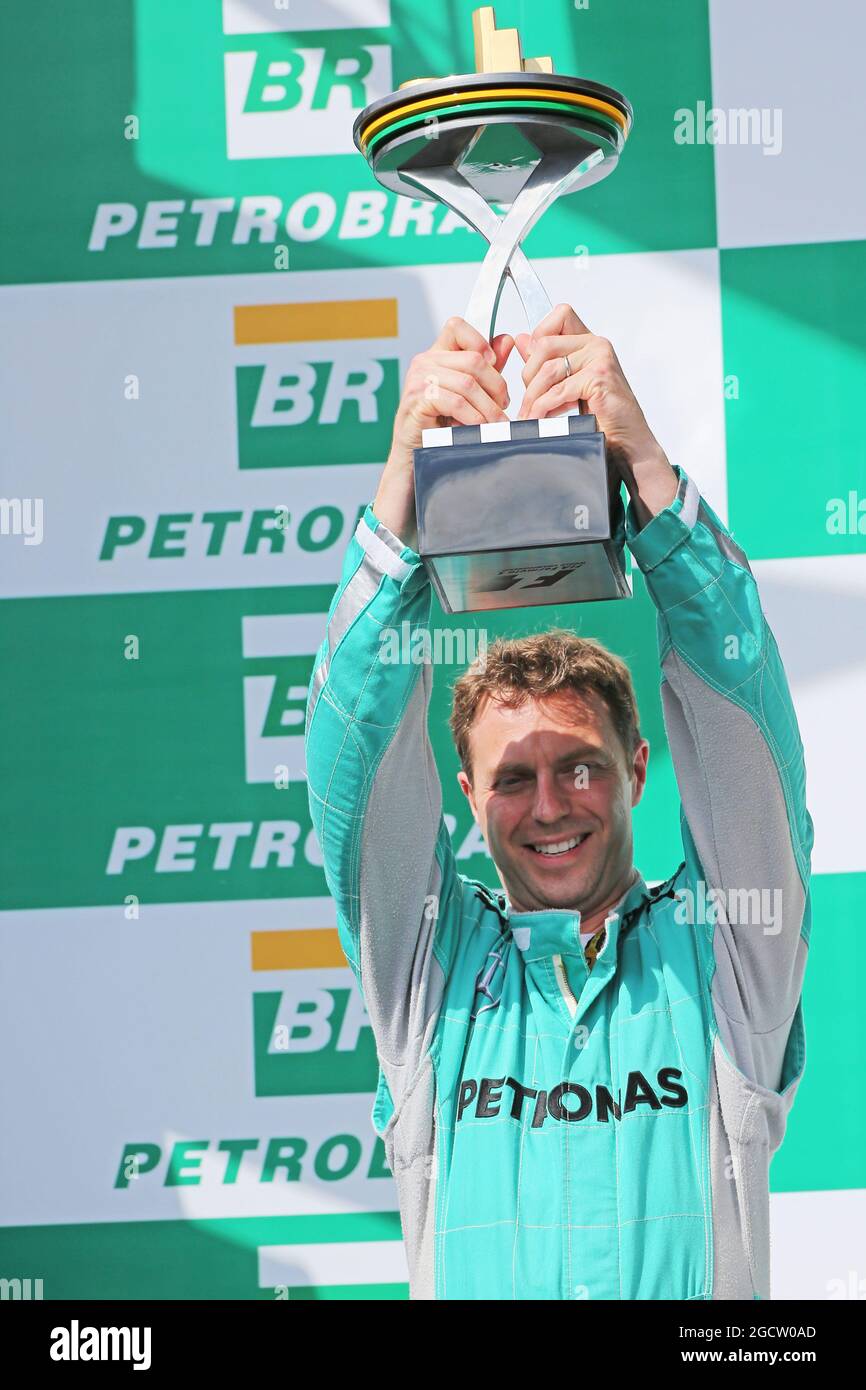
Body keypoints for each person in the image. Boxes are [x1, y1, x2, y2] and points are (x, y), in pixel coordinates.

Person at [304, 304, 814, 1301]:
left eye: (577, 765)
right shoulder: (430, 975)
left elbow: (752, 748)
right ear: (466, 796)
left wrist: (652, 490)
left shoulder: (720, 956)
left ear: (633, 767)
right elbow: (348, 777)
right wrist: (398, 514)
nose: (548, 804)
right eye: (511, 776)